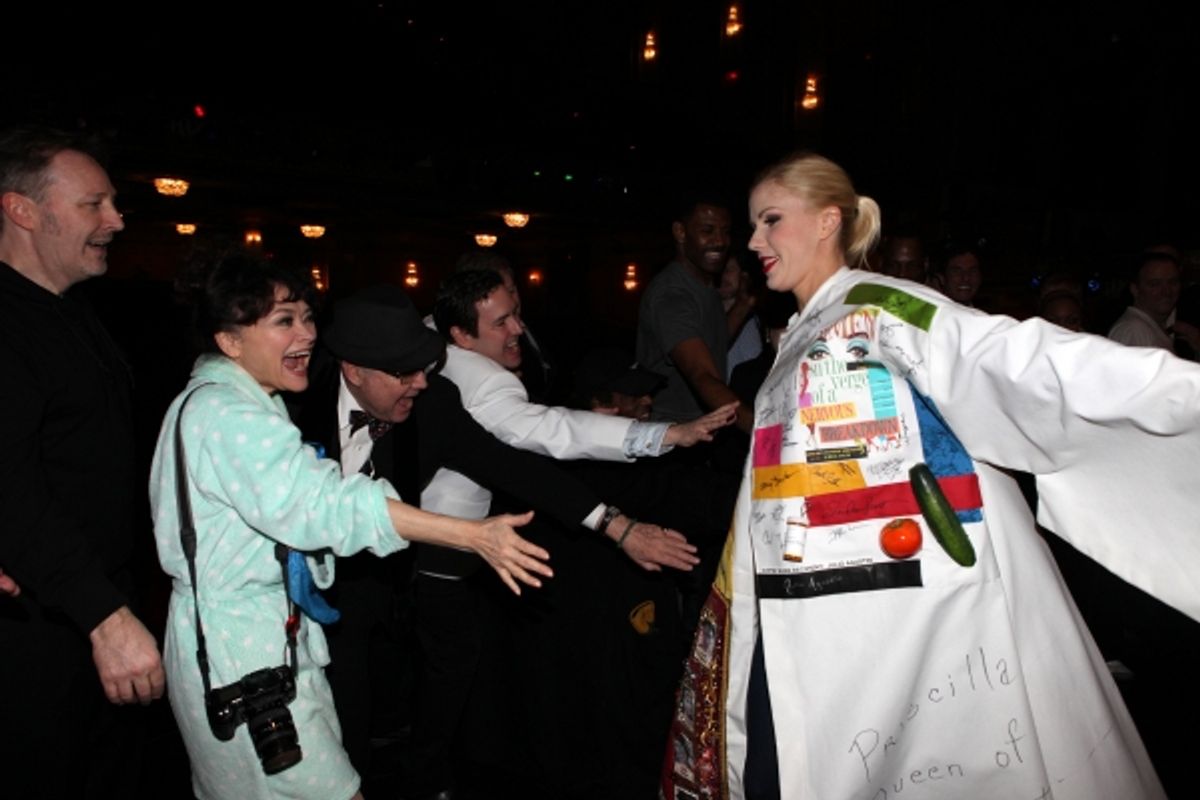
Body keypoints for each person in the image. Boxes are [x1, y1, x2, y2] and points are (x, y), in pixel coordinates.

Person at [662, 151, 1200, 800]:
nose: (754, 242)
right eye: (754, 225)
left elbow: (1011, 358)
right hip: (804, 612)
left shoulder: (881, 305)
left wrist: (1175, 392)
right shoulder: (802, 334)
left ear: (829, 220)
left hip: (911, 617)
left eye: (771, 220)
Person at [149, 253, 551, 800]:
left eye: (306, 316)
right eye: (283, 320)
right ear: (230, 341)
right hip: (246, 659)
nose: (308, 335)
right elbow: (328, 503)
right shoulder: (228, 416)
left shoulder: (229, 402)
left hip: (254, 644)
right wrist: (472, 534)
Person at [0, 125, 166, 799]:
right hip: (38, 629)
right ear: (22, 210)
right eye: (94, 204)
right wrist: (106, 616)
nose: (117, 220)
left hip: (89, 608)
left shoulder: (76, 311)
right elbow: (9, 487)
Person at [636, 193, 754, 433]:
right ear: (680, 232)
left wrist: (742, 306)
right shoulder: (672, 295)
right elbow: (702, 373)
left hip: (700, 427)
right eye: (708, 231)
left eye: (726, 231)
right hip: (673, 433)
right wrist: (763, 432)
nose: (720, 241)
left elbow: (711, 343)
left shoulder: (704, 283)